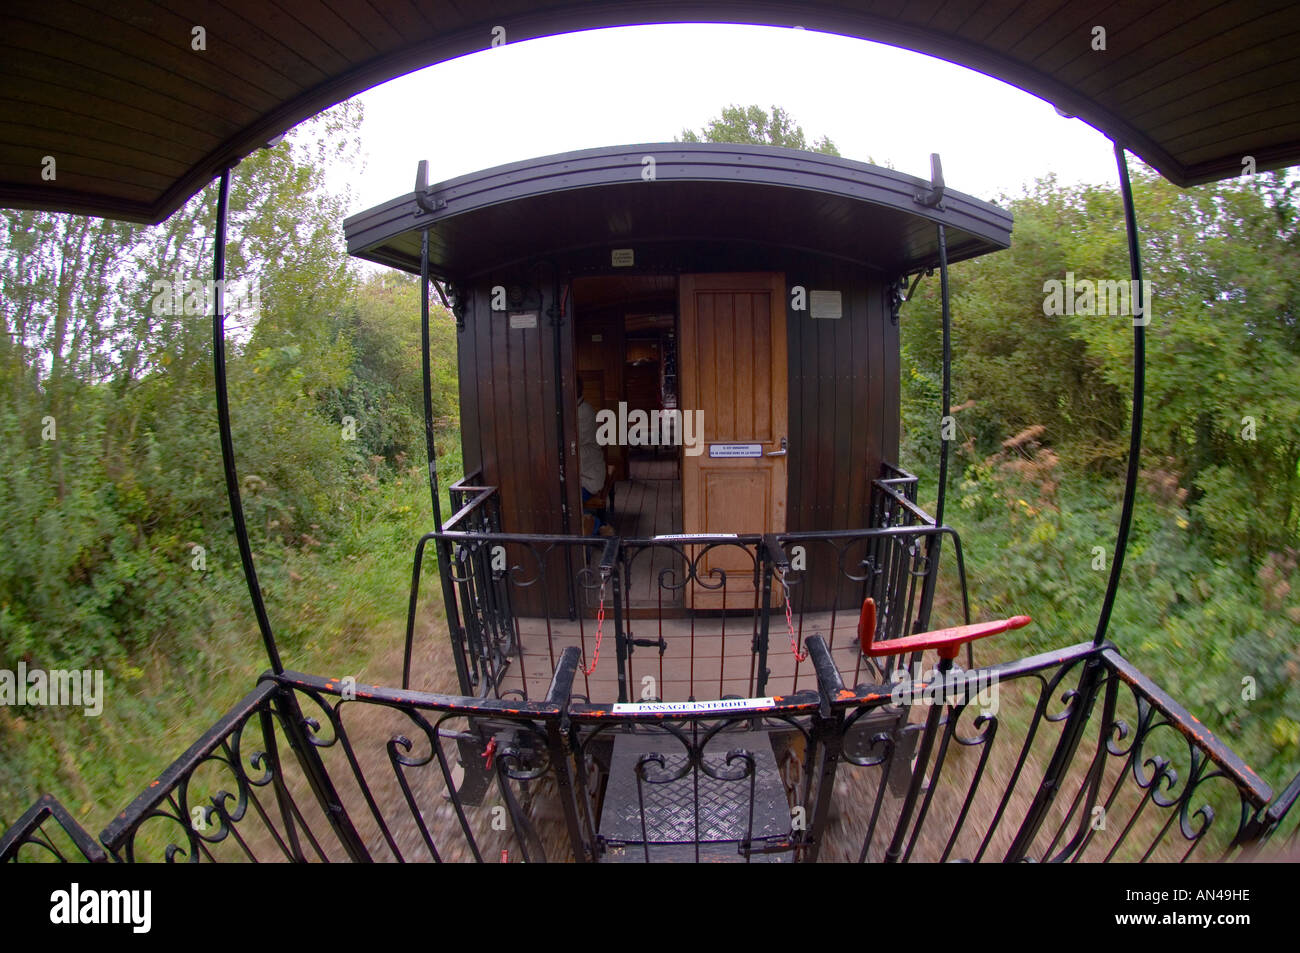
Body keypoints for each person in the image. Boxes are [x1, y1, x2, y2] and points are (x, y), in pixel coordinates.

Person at [576, 376, 612, 535]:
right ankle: (595, 524)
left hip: (589, 477)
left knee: (565, 503)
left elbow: (570, 442)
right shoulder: (578, 409)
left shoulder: (583, 412)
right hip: (584, 473)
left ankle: (596, 525)